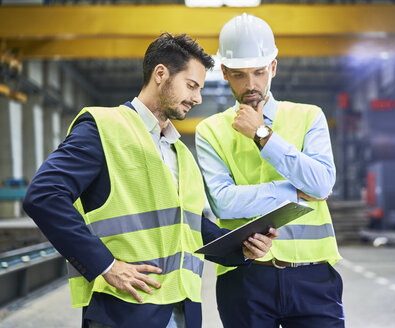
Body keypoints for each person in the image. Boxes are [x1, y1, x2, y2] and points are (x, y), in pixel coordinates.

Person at [23, 32, 277, 328]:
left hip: (182, 309)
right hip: (125, 311)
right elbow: (43, 195)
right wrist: (105, 265)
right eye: (191, 85)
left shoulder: (179, 151)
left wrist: (242, 248)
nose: (197, 98)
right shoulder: (103, 127)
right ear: (161, 74)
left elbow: (190, 227)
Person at [195, 14, 344, 328]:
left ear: (273, 67)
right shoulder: (210, 130)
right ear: (224, 73)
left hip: (313, 276)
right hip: (245, 279)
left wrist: (262, 135)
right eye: (239, 75)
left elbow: (321, 184)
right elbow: (223, 202)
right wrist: (293, 193)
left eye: (259, 72)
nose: (251, 85)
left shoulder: (309, 117)